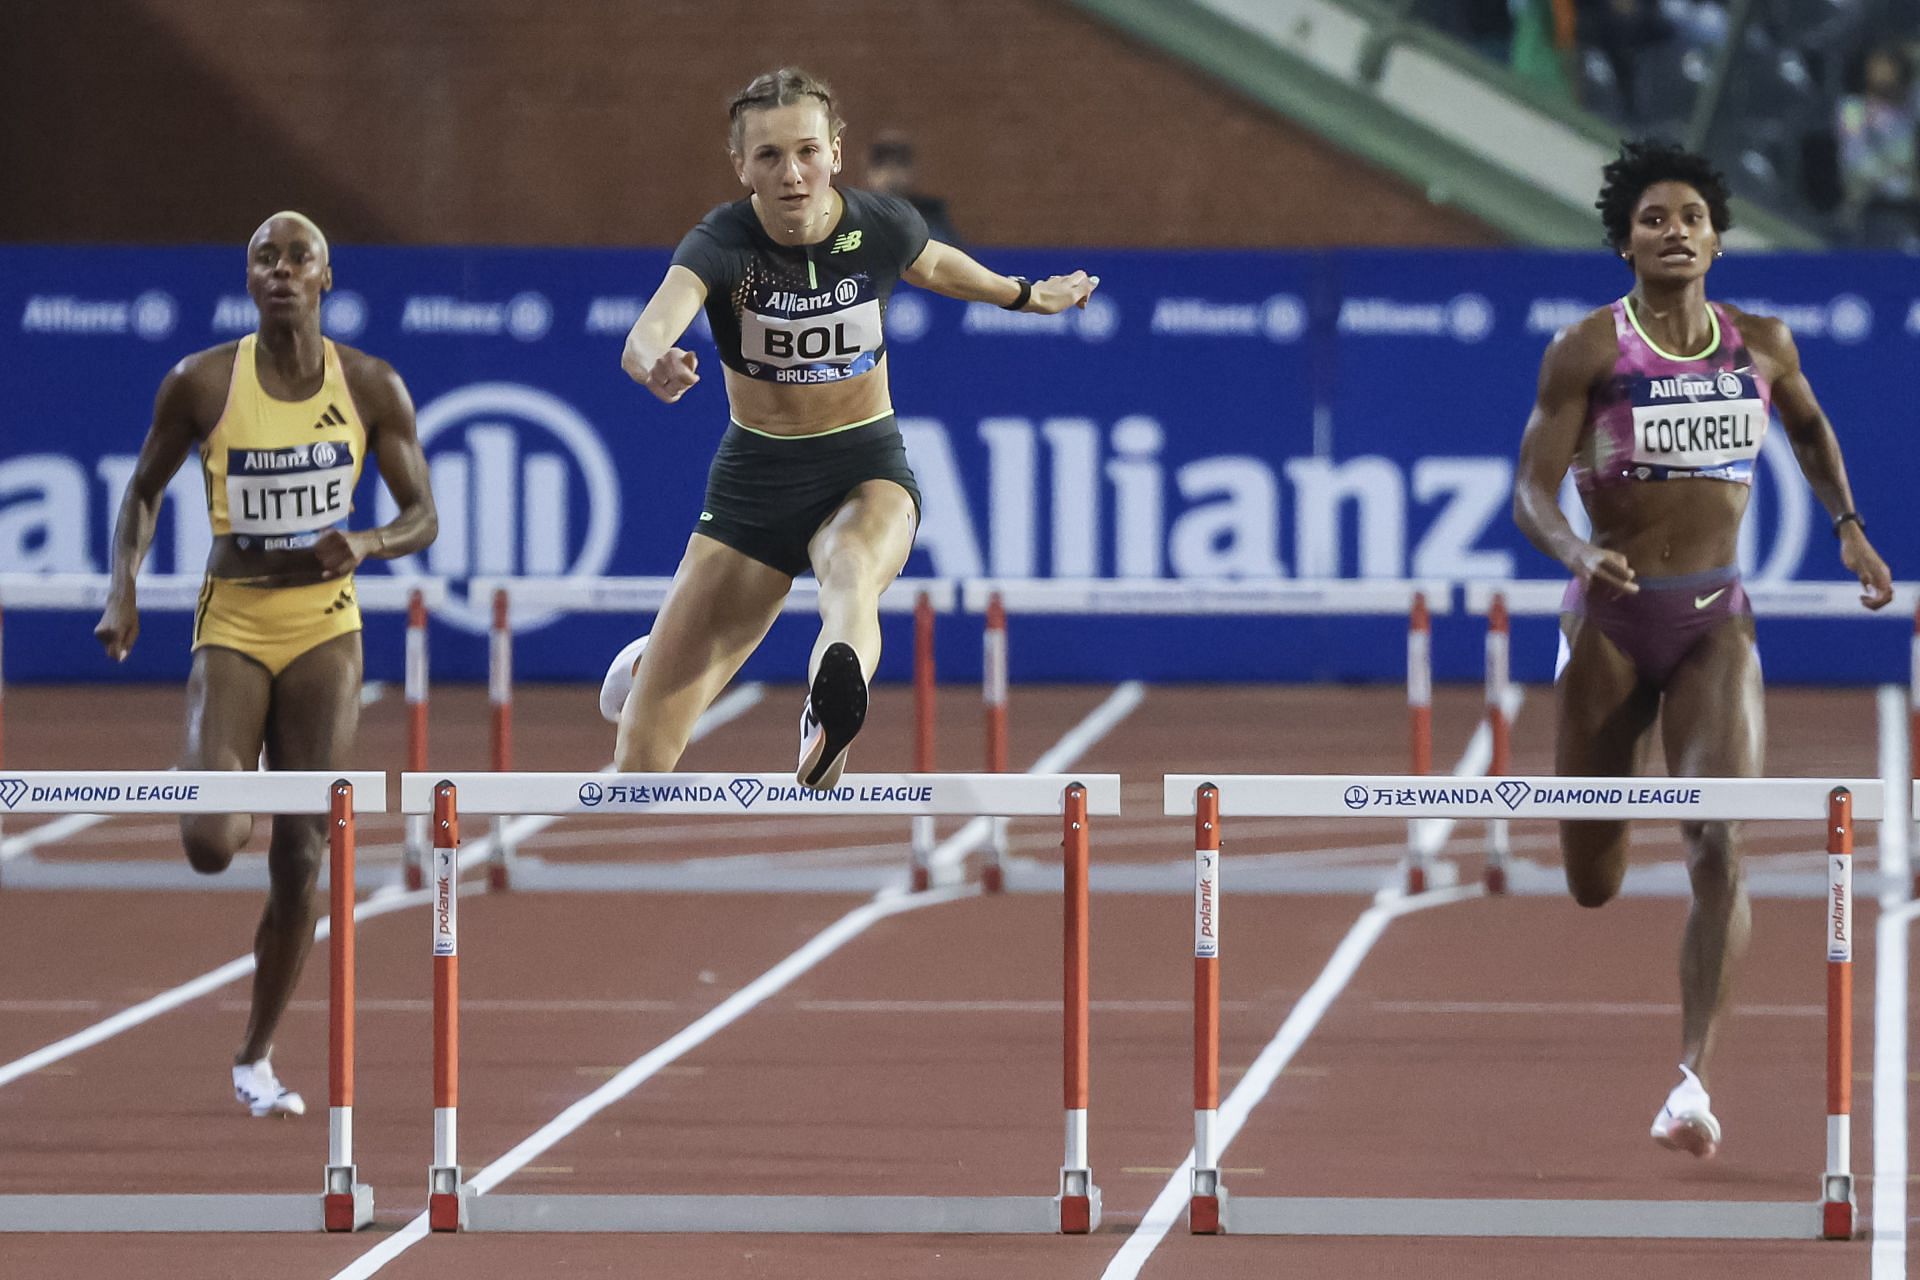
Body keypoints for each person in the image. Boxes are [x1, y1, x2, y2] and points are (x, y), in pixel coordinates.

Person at [1512, 140, 1892, 1159]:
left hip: (1716, 618)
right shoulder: (1588, 351)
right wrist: (1578, 551)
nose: (1673, 230)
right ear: (1626, 241)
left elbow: (1808, 430)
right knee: (1593, 877)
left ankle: (1691, 1081)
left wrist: (1847, 522)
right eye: (1653, 218)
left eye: (1691, 216)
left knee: (1720, 840)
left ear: (1717, 237)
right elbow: (1530, 491)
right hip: (1608, 625)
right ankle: (1607, 809)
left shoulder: (1762, 344)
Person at [600, 68, 1095, 789]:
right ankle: (655, 663)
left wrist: (1024, 295)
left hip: (864, 464)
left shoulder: (880, 225)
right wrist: (653, 362)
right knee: (642, 767)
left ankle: (826, 714)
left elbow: (939, 266)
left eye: (806, 151)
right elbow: (649, 328)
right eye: (768, 156)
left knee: (853, 575)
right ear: (741, 167)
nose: (792, 173)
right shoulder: (723, 243)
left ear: (835, 152)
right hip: (755, 486)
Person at [94, 212, 437, 1116]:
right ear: (249, 279)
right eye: (264, 259)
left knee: (303, 852)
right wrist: (122, 589)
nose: (281, 272)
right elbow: (142, 491)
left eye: (299, 259)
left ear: (328, 277)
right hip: (235, 617)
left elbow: (423, 516)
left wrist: (363, 541)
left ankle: (255, 1055)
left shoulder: (370, 385)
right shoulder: (203, 382)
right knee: (213, 844)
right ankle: (210, 767)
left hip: (325, 624)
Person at [1835, 42, 1920, 249]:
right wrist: (1897, 171)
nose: (1882, 72)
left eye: (1889, 65)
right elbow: (1855, 161)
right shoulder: (1852, 110)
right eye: (1876, 65)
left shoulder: (1908, 106)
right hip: (1874, 206)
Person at [865, 131, 962, 247]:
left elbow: (946, 254)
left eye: (900, 164)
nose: (891, 173)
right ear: (868, 171)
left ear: (913, 170)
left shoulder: (931, 215)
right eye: (881, 165)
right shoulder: (856, 214)